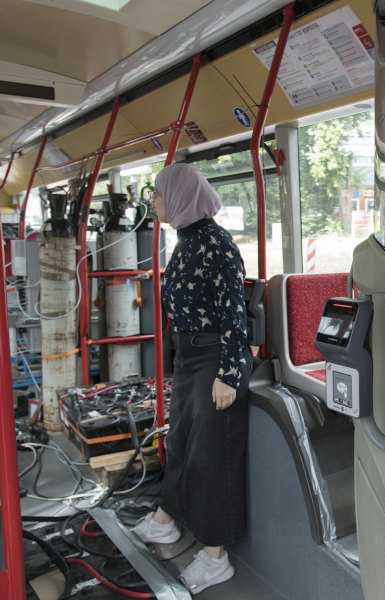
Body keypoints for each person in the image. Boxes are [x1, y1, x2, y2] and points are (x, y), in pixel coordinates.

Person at [131, 162, 251, 594]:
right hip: (190, 357)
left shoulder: (215, 244)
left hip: (215, 359)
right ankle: (165, 521)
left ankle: (216, 557)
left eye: (158, 195)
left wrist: (229, 374)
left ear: (180, 197)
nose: (155, 203)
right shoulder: (186, 241)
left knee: (210, 456)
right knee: (179, 443)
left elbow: (236, 315)